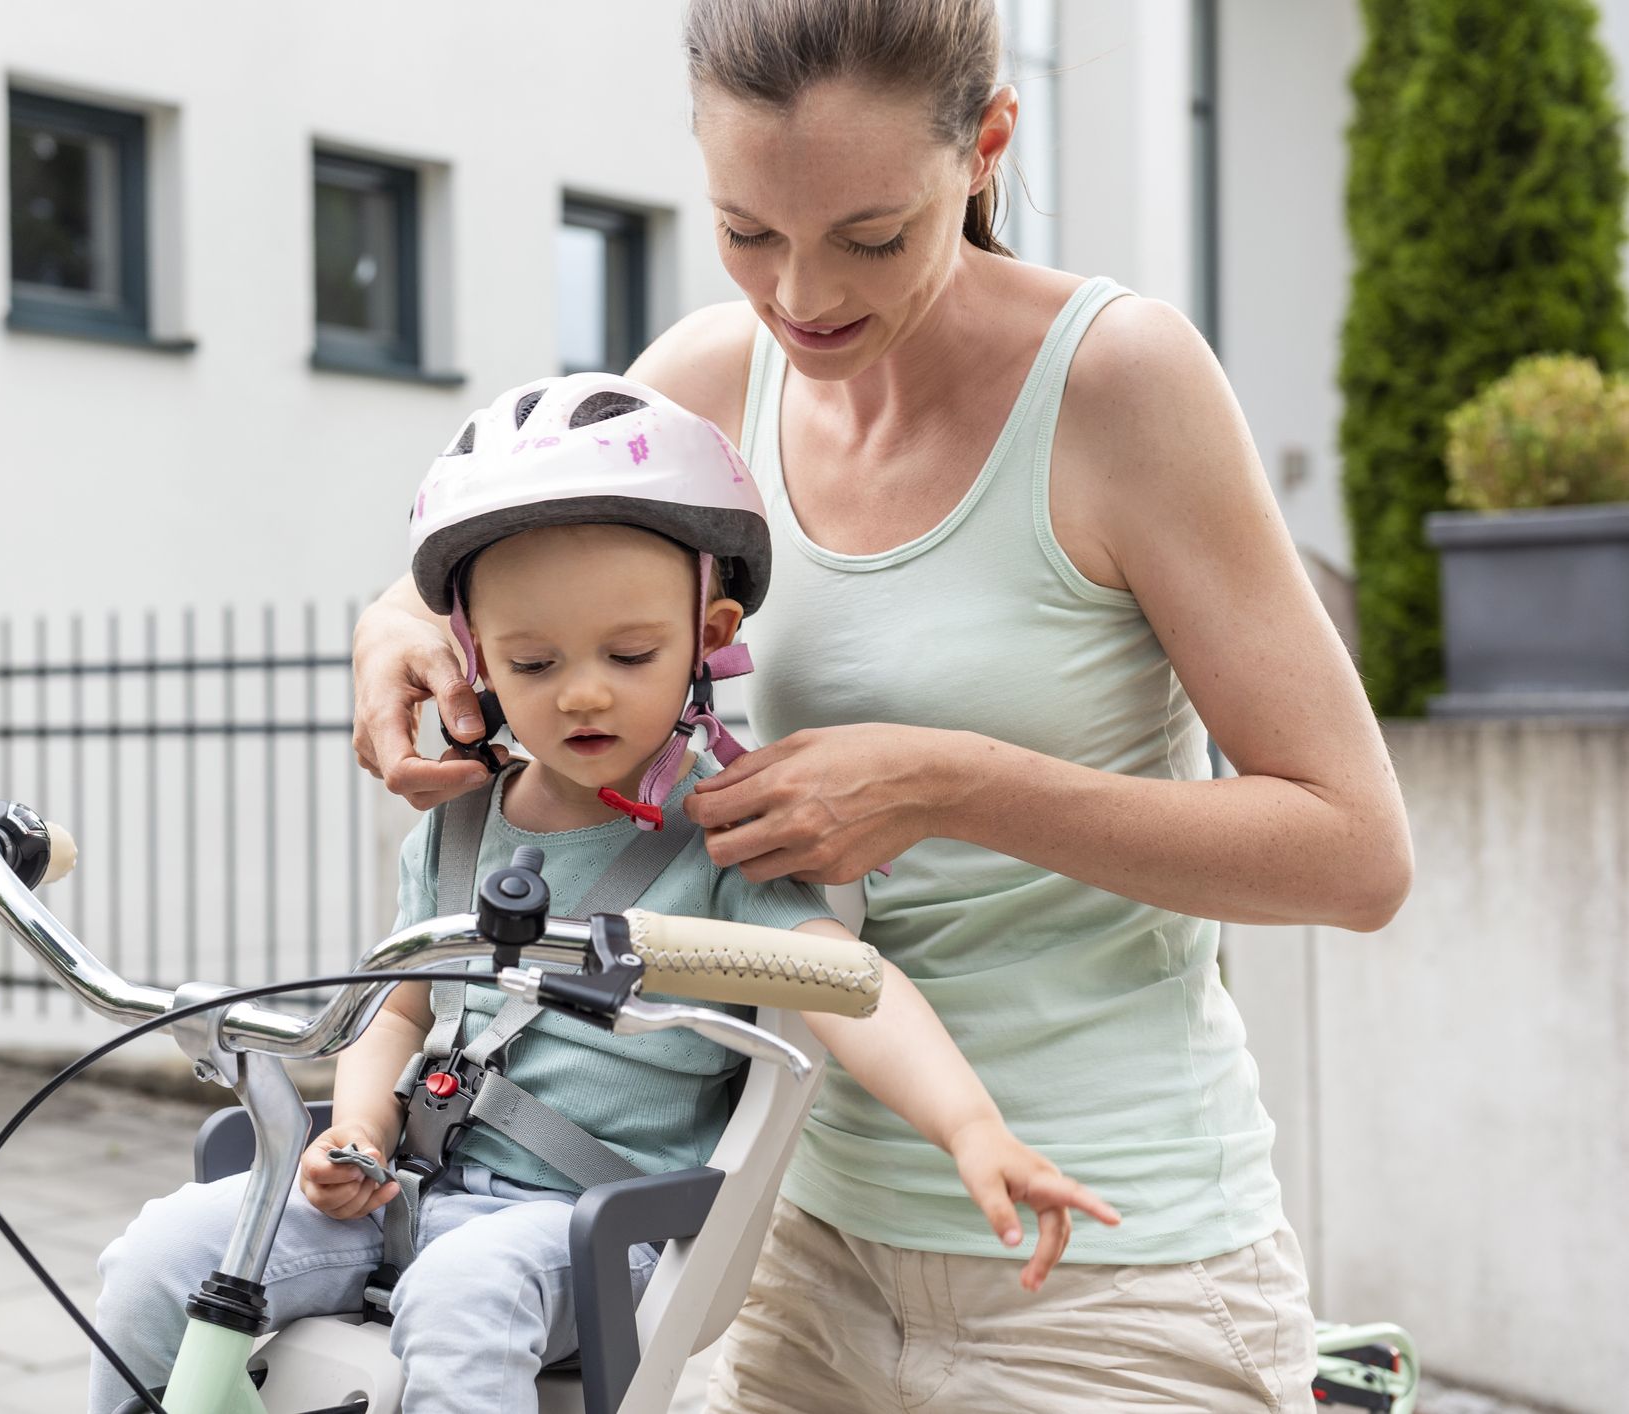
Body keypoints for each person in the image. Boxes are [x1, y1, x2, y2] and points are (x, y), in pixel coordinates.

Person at [349, 4, 1413, 1411]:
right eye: (747, 231)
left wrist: (953, 782)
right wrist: (393, 631)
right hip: (793, 1251)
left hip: (1111, 1272)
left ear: (982, 149)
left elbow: (1352, 852)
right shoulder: (705, 384)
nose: (799, 296)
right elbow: (468, 576)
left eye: (868, 235)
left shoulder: (1113, 384)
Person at [90, 374, 1116, 1414]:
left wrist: (973, 1128)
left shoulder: (724, 835)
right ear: (475, 656)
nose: (582, 690)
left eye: (630, 654)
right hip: (407, 1187)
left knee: (462, 1295)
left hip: (582, 1228)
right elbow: (395, 1005)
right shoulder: (455, 825)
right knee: (162, 1252)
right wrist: (351, 1128)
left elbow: (847, 984)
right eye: (533, 661)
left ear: (708, 635)